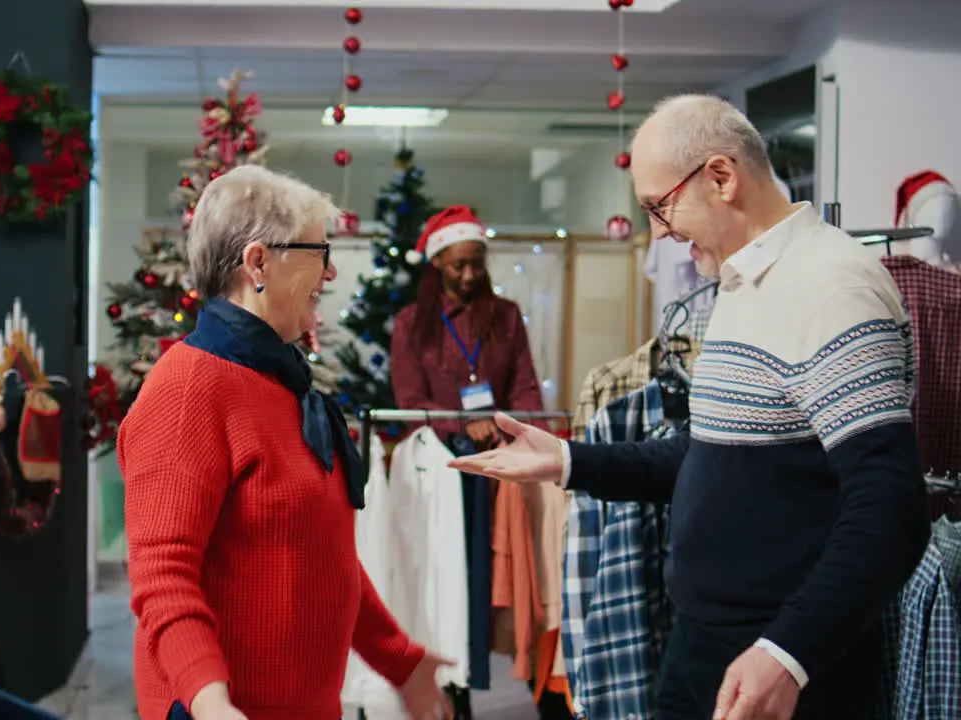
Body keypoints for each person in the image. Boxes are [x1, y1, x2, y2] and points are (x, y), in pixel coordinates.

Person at [449, 94, 930, 720]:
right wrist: (568, 460)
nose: (660, 234)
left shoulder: (831, 287)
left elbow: (890, 507)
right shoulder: (742, 282)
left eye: (659, 207)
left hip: (779, 660)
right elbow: (707, 454)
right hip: (707, 644)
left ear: (722, 177)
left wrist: (789, 652)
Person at [116, 165, 453, 720]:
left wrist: (400, 661)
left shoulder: (282, 384)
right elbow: (161, 574)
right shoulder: (188, 389)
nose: (331, 269)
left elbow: (321, 554)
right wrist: (210, 700)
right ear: (258, 263)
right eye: (319, 251)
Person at [390, 204, 547, 446]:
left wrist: (536, 439)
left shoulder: (507, 314)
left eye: (477, 264)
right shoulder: (410, 322)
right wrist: (464, 425)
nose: (469, 275)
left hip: (503, 449)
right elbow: (411, 402)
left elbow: (524, 389)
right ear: (437, 261)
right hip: (436, 455)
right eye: (458, 266)